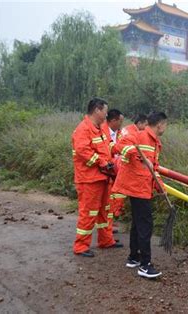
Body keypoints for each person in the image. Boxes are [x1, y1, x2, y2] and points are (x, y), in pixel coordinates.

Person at [111, 111, 167, 279]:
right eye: (166, 125)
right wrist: (136, 154)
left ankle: (134, 257)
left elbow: (153, 168)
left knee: (137, 223)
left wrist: (160, 186)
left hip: (143, 186)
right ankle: (145, 265)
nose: (165, 128)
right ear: (160, 125)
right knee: (145, 225)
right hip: (137, 187)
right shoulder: (139, 136)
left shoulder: (155, 142)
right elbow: (118, 147)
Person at [71, 97, 123, 258]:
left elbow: (107, 147)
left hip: (102, 178)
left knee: (104, 212)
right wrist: (102, 163)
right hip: (89, 179)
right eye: (105, 112)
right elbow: (83, 151)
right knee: (88, 212)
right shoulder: (83, 129)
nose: (106, 115)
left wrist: (124, 149)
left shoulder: (99, 128)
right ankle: (80, 246)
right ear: (97, 110)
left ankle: (106, 240)